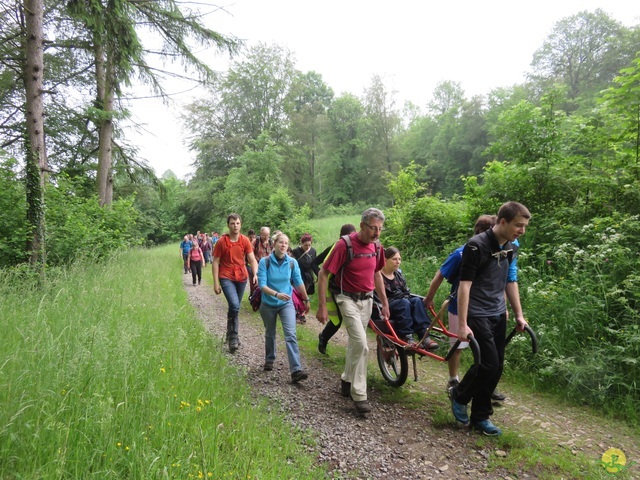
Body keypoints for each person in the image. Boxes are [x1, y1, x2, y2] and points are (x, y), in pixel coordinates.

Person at [448, 202, 530, 436]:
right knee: (488, 363)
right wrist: (462, 324)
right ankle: (460, 395)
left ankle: (479, 417)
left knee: (495, 368)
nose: (521, 231)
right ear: (502, 222)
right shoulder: (476, 246)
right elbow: (465, 286)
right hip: (477, 312)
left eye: (524, 226)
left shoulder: (511, 246)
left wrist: (519, 315)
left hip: (497, 312)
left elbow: (510, 281)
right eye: (518, 225)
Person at [316, 208, 389, 414]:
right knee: (362, 345)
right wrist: (322, 306)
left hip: (367, 300)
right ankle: (360, 395)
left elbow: (377, 274)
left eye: (380, 229)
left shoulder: (377, 247)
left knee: (355, 344)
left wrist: (384, 302)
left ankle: (347, 379)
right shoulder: (344, 245)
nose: (377, 233)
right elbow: (323, 274)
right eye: (373, 228)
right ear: (362, 225)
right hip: (346, 298)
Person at [425, 215, 499, 392]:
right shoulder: (461, 253)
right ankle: (453, 379)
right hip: (459, 307)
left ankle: (484, 379)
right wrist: (428, 298)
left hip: (485, 309)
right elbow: (440, 274)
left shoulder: (496, 253)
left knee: (485, 348)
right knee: (458, 345)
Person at [257, 232, 310, 383]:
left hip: (286, 303)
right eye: (281, 242)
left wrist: (306, 299)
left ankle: (296, 370)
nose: (283, 245)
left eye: (286, 243)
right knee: (270, 333)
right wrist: (276, 294)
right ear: (274, 244)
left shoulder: (292, 262)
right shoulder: (264, 262)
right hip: (268, 302)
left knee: (291, 334)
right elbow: (262, 285)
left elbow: (298, 282)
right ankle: (269, 359)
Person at [212, 214, 259, 353]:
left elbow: (252, 259)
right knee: (234, 304)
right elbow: (215, 261)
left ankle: (229, 333)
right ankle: (234, 337)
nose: (235, 226)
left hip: (242, 277)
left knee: (235, 307)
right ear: (228, 225)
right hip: (226, 276)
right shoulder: (221, 242)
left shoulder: (245, 240)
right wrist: (215, 282)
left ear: (241, 224)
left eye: (237, 223)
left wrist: (255, 273)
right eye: (232, 223)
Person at [379, 247, 438, 349]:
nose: (398, 262)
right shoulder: (378, 276)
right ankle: (407, 336)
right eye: (394, 259)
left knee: (417, 301)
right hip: (387, 305)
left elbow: (406, 291)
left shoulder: (399, 275)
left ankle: (424, 336)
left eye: (399, 259)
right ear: (385, 260)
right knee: (404, 303)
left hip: (401, 301)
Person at [315, 224, 357, 355]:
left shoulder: (355, 247)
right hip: (336, 289)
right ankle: (323, 338)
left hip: (352, 290)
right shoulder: (337, 247)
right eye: (350, 236)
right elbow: (315, 263)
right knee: (336, 321)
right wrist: (322, 277)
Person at [292, 233, 319, 324]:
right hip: (297, 276)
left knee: (304, 295)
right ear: (301, 243)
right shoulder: (295, 251)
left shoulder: (313, 251)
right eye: (305, 245)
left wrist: (318, 275)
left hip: (308, 277)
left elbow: (314, 264)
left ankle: (300, 313)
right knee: (298, 294)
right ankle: (298, 313)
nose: (307, 247)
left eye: (309, 245)